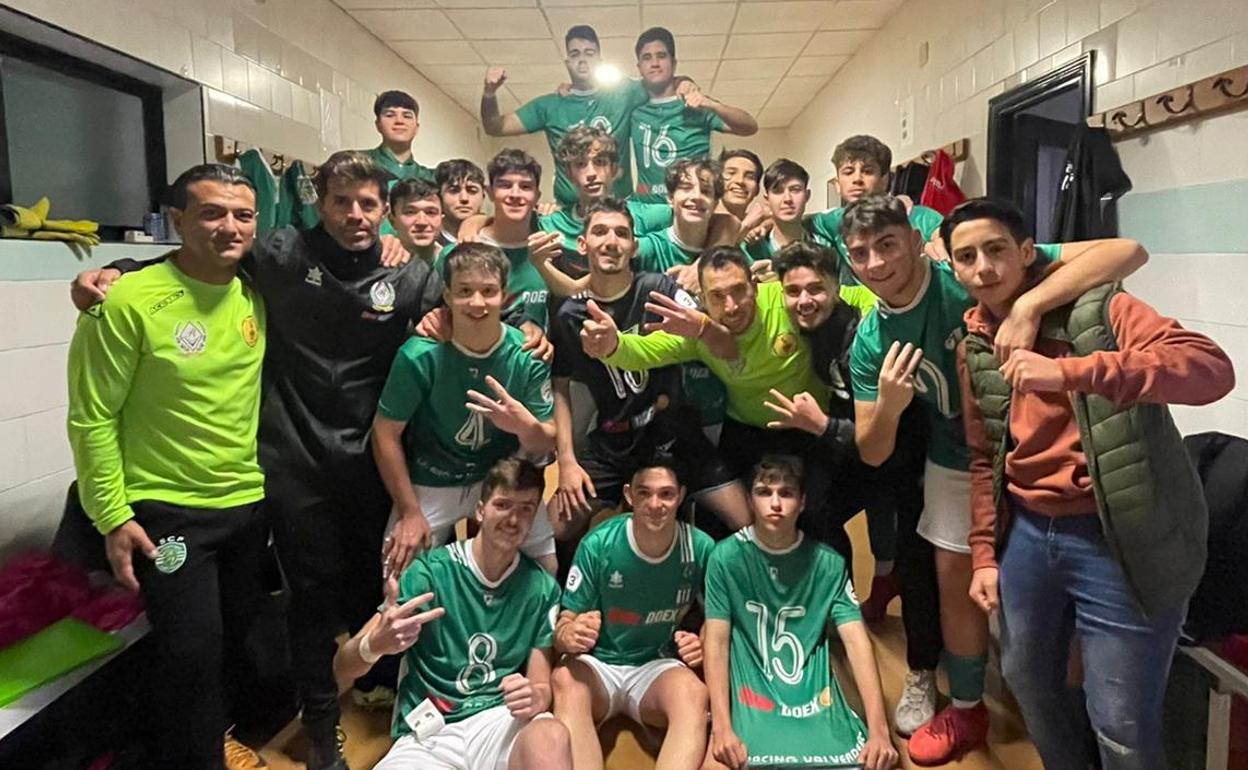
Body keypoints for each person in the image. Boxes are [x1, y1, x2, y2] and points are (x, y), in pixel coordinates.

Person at [69, 151, 446, 769]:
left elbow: (465, 309)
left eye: (368, 204)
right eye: (341, 201)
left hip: (330, 478)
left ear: (385, 210)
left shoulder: (402, 273)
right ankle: (312, 737)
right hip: (263, 478)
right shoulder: (280, 255)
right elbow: (195, 264)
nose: (355, 214)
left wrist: (519, 334)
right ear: (318, 203)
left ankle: (362, 709)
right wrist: (119, 268)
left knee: (360, 599)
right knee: (272, 620)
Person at [845, 194, 1150, 764]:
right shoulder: (869, 339)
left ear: (916, 243)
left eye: (887, 245)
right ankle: (967, 708)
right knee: (957, 579)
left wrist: (1029, 305)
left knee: (1057, 586)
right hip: (957, 457)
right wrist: (888, 406)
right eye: (860, 253)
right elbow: (873, 450)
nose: (876, 263)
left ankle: (1076, 716)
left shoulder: (969, 273)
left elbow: (1127, 251)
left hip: (1040, 448)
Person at [947, 199, 1234, 770]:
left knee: (1122, 725)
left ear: (1027, 252)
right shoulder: (974, 343)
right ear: (953, 268)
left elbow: (1211, 369)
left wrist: (1073, 372)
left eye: (996, 250)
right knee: (1029, 685)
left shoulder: (1100, 309)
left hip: (1118, 538)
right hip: (1028, 535)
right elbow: (984, 458)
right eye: (967, 257)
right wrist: (983, 555)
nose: (983, 268)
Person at [66, 164, 267, 770]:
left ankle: (212, 739)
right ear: (177, 220)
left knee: (236, 643)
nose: (229, 226)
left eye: (243, 215)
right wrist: (111, 515)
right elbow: (92, 417)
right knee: (190, 655)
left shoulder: (259, 292)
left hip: (246, 505)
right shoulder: (123, 300)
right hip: (167, 514)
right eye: (211, 213)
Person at [766, 241, 942, 734]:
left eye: (815, 289)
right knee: (815, 512)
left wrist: (822, 425)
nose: (805, 300)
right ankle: (837, 613)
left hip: (910, 456)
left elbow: (887, 427)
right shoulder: (813, 331)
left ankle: (922, 670)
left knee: (915, 559)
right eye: (794, 291)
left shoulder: (863, 334)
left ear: (836, 286)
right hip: (858, 450)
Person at [581, 246, 855, 551]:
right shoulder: (698, 329)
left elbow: (856, 298)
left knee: (818, 517)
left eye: (738, 291)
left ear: (754, 286)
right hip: (745, 429)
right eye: (717, 296)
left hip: (808, 427)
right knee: (719, 524)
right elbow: (642, 351)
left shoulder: (787, 299)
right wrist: (612, 345)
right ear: (703, 300)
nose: (731, 306)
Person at [546, 198, 750, 570]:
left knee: (745, 520)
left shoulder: (659, 289)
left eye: (621, 233)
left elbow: (717, 337)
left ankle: (712, 595)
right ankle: (573, 598)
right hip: (615, 439)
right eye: (600, 232)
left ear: (634, 246)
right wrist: (567, 462)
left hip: (674, 432)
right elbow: (560, 388)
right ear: (583, 244)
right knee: (555, 525)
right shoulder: (569, 314)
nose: (611, 241)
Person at [333, 458, 572, 770]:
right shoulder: (429, 574)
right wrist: (374, 644)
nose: (513, 519)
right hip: (431, 729)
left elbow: (540, 682)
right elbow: (342, 668)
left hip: (498, 719)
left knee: (551, 735)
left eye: (526, 509)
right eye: (503, 505)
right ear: (480, 510)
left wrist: (536, 696)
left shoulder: (541, 588)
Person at [373, 242, 559, 575]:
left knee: (547, 566)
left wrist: (523, 426)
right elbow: (385, 434)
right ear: (446, 294)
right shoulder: (419, 355)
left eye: (488, 291)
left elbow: (545, 441)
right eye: (464, 291)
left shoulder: (528, 354)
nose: (476, 302)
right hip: (432, 477)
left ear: (505, 296)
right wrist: (409, 510)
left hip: (498, 476)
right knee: (397, 570)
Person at [702, 455, 898, 770]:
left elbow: (857, 642)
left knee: (874, 761)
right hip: (754, 699)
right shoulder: (724, 558)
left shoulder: (829, 563)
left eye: (786, 493)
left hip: (812, 703)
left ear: (802, 502)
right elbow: (716, 641)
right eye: (764, 493)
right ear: (750, 500)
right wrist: (721, 728)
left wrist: (879, 731)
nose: (775, 503)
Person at [552, 459, 714, 770]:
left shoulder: (700, 547)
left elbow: (718, 620)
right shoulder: (599, 544)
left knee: (694, 693)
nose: (655, 504)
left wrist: (702, 643)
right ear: (629, 495)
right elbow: (564, 626)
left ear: (680, 496)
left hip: (655, 665)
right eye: (645, 493)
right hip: (598, 664)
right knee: (564, 680)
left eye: (666, 494)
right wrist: (569, 635)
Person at [481, 25, 648, 206]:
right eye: (575, 54)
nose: (582, 60)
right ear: (567, 62)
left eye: (589, 53)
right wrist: (489, 93)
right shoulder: (549, 106)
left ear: (599, 60)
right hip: (568, 212)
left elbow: (663, 81)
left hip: (616, 209)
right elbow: (494, 127)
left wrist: (681, 83)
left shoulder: (624, 94)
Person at [630, 27, 758, 201]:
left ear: (673, 63)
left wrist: (711, 104)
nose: (654, 63)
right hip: (647, 210)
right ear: (639, 68)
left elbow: (750, 127)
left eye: (661, 56)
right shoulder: (634, 110)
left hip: (693, 206)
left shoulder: (696, 104)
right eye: (647, 58)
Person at [439, 149, 557, 332]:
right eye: (505, 185)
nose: (515, 194)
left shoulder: (550, 249)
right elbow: (436, 318)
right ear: (490, 192)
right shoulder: (458, 253)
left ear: (537, 196)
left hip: (535, 349)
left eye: (525, 187)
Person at [537, 125, 673, 279]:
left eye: (600, 162)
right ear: (569, 174)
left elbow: (695, 223)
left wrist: (694, 268)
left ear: (613, 169)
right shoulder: (551, 224)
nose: (591, 173)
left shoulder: (646, 216)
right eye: (580, 164)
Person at [808, 135, 944, 283]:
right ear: (837, 184)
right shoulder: (831, 221)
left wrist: (936, 250)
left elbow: (946, 244)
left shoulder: (922, 218)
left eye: (867, 171)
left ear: (884, 180)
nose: (857, 179)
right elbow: (795, 222)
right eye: (848, 172)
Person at [365, 89, 435, 184]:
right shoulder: (357, 164)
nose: (399, 121)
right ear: (378, 125)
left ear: (416, 128)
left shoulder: (429, 178)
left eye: (407, 116)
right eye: (390, 115)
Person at [388, 177, 444, 262]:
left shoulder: (452, 261)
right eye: (410, 212)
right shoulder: (378, 262)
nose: (422, 222)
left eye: (431, 212)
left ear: (442, 219)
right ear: (392, 221)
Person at [434, 158, 486, 247]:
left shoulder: (493, 237)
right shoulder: (429, 238)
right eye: (454, 190)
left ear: (483, 196)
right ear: (439, 196)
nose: (464, 198)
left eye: (472, 191)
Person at [717, 147, 763, 221]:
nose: (740, 181)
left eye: (750, 177)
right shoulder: (701, 222)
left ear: (757, 189)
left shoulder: (761, 226)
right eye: (731, 173)